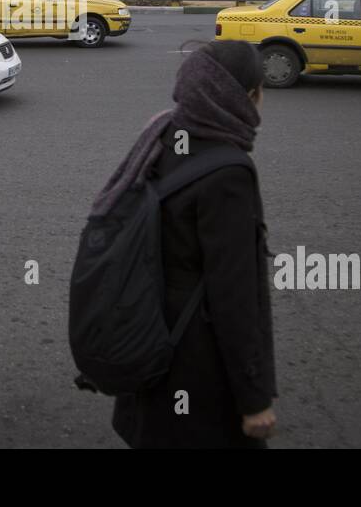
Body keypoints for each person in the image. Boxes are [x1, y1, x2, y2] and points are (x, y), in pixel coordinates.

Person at [95, 41, 276, 449]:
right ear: (249, 97)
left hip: (149, 332)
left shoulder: (163, 133)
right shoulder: (229, 171)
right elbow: (234, 297)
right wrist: (253, 399)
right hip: (195, 359)